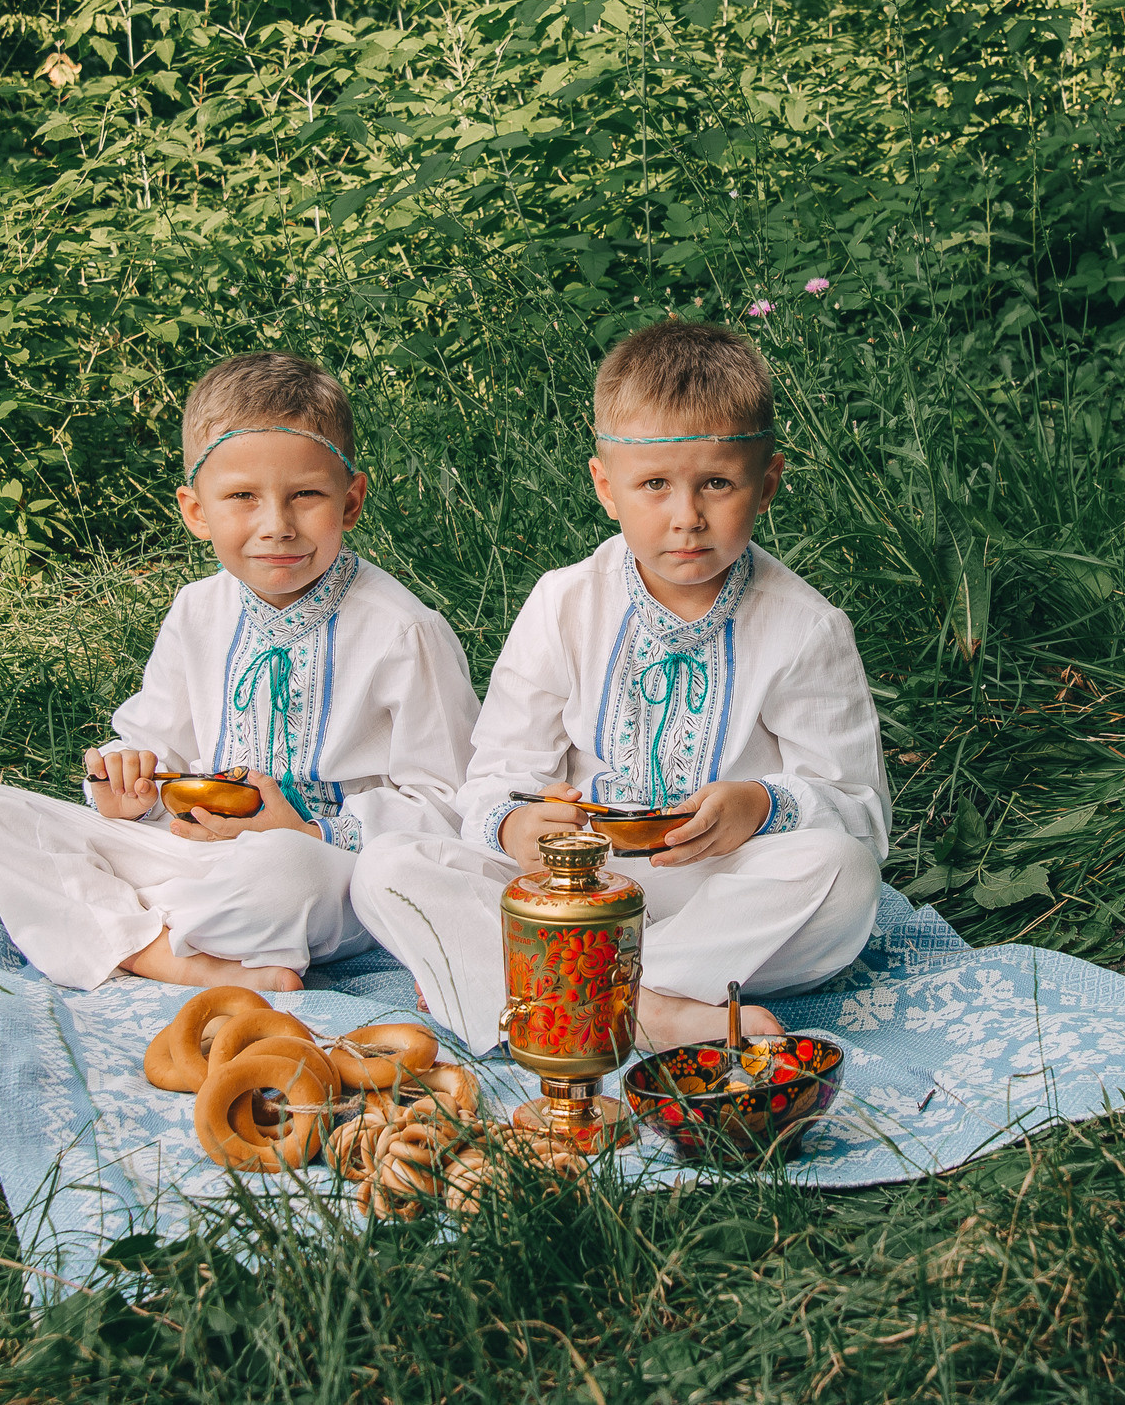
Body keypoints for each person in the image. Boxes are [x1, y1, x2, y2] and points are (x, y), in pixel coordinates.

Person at [350, 319, 886, 1049]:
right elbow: (496, 774)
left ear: (768, 484)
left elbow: (861, 812)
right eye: (655, 485)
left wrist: (762, 805)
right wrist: (515, 825)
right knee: (388, 865)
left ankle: (551, 999)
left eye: (717, 484)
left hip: (718, 887)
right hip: (573, 886)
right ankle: (650, 1009)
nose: (686, 517)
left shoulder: (804, 627)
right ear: (606, 486)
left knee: (843, 874)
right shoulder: (564, 603)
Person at [0, 353, 480, 993]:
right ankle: (162, 952)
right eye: (241, 498)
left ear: (351, 501)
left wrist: (311, 829)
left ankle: (107, 926)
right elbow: (156, 742)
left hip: (322, 875)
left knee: (280, 873)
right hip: (188, 855)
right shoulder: (197, 610)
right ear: (196, 511)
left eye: (306, 495)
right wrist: (129, 786)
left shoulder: (403, 631)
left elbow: (453, 806)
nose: (276, 526)